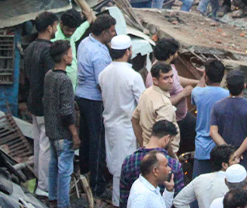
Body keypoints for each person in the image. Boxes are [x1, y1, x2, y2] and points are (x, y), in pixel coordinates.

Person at [99, 34, 146, 206]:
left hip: (111, 126)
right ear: (128, 52)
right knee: (124, 170)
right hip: (127, 128)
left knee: (116, 167)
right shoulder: (133, 76)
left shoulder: (103, 74)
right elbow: (143, 104)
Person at [76, 14, 116, 198]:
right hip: (95, 100)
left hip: (82, 96)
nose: (114, 34)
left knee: (86, 138)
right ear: (104, 32)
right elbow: (103, 82)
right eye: (112, 31)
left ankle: (84, 172)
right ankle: (98, 185)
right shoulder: (99, 54)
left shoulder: (86, 42)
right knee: (97, 142)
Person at [43, 40, 80, 208]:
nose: (72, 56)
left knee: (53, 165)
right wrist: (74, 133)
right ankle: (63, 204)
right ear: (65, 57)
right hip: (63, 133)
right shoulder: (64, 81)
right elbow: (66, 111)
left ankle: (53, 198)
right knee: (65, 170)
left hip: (51, 129)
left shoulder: (49, 75)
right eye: (71, 53)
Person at [25, 11, 58, 199]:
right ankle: (44, 186)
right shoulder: (49, 50)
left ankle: (39, 179)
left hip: (33, 100)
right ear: (49, 28)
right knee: (46, 145)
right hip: (45, 103)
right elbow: (50, 79)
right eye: (55, 26)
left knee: (38, 143)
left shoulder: (30, 47)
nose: (56, 28)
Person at [146, 37, 199, 154]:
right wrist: (183, 94)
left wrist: (195, 82)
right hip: (171, 120)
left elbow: (176, 79)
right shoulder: (154, 77)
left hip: (182, 117)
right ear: (170, 55)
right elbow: (159, 103)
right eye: (175, 52)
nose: (177, 54)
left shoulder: (168, 68)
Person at [210, 71, 247, 190]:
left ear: (227, 86)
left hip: (223, 161)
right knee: (246, 194)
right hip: (245, 158)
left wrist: (228, 153)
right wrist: (237, 154)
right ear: (244, 86)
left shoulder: (217, 106)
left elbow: (213, 132)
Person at [121, 121, 185, 207]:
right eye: (171, 141)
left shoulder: (128, 161)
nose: (169, 168)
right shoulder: (174, 165)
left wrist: (169, 190)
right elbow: (179, 201)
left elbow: (123, 196)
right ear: (167, 138)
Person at [192, 59, 231, 177]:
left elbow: (197, 94)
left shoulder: (197, 92)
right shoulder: (228, 95)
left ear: (205, 75)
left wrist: (202, 77)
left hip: (202, 148)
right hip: (221, 147)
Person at [133, 63, 181, 154]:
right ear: (155, 80)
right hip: (162, 154)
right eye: (166, 78)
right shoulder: (164, 103)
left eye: (171, 76)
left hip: (148, 149)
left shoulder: (146, 93)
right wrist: (173, 158)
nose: (171, 81)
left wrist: (143, 145)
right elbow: (164, 136)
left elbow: (134, 119)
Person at [174, 145, 239, 208]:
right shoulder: (234, 181)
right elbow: (179, 201)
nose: (238, 161)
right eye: (234, 159)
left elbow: (179, 201)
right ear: (224, 165)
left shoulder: (200, 179)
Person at [52, 9, 94, 89]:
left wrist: (89, 21)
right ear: (61, 23)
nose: (70, 33)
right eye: (68, 30)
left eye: (73, 31)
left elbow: (80, 30)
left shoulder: (71, 35)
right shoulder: (54, 38)